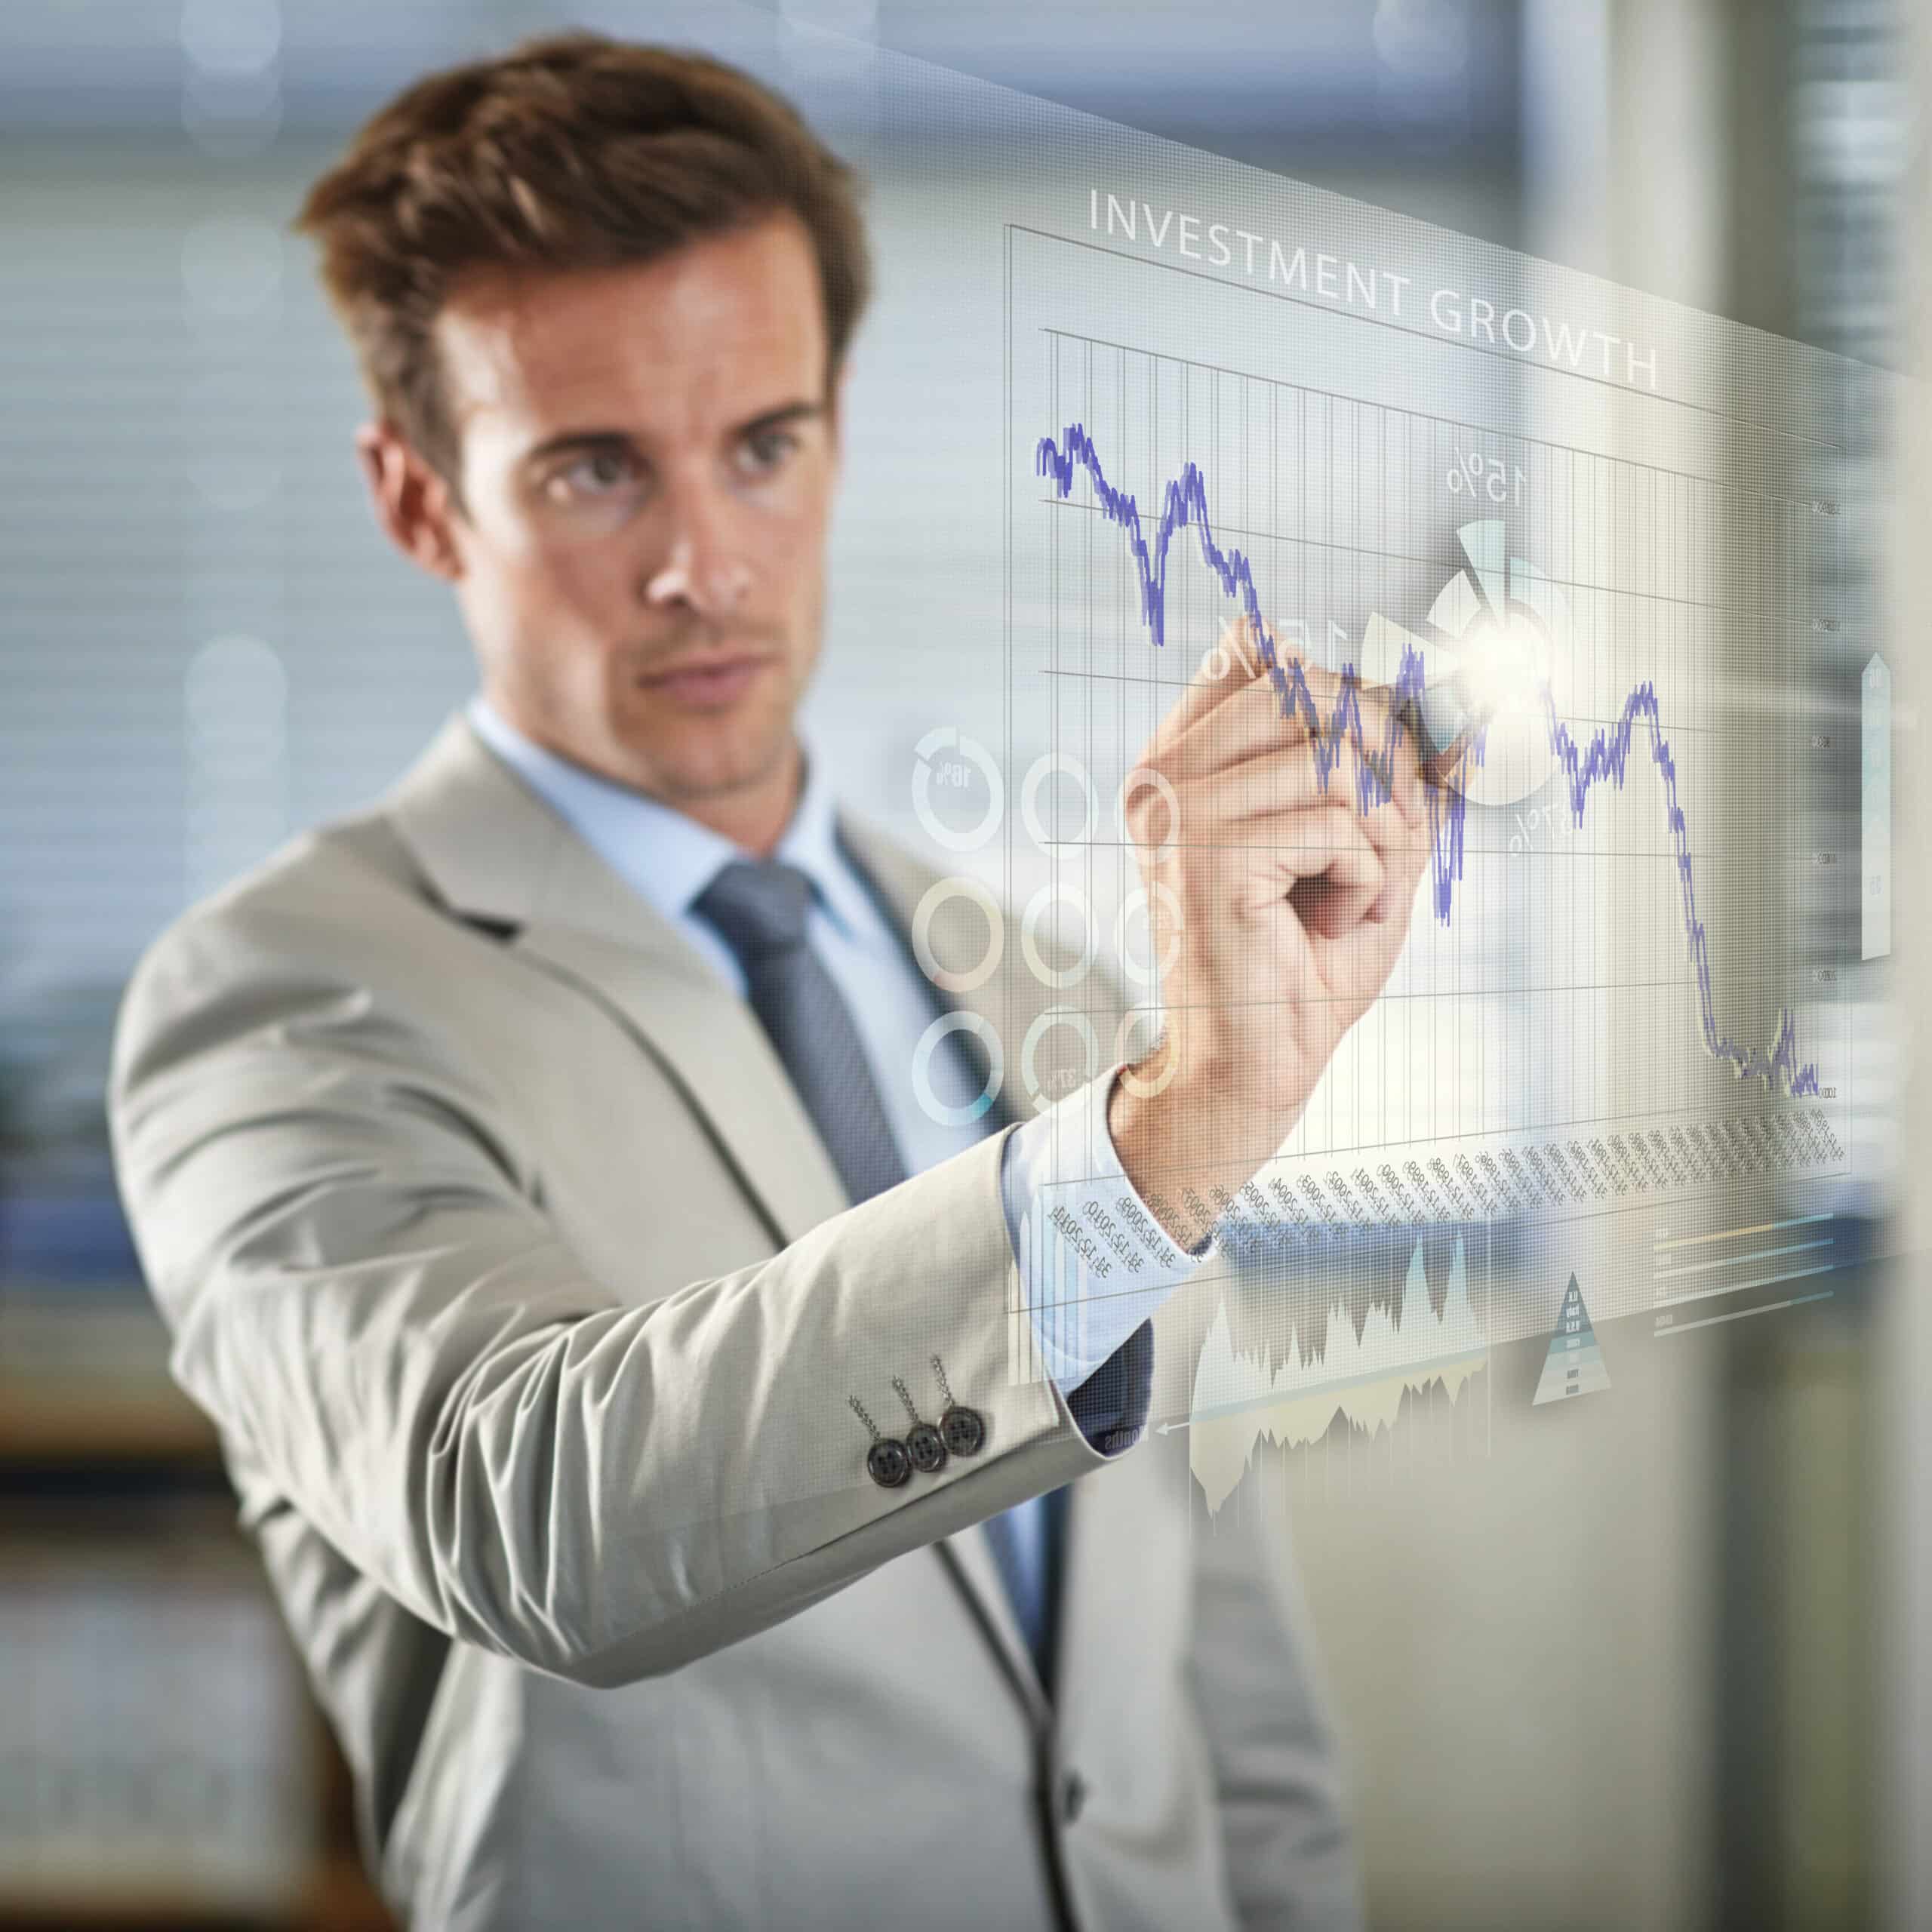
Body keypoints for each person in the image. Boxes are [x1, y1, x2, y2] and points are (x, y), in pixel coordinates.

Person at [107, 31, 1429, 1932]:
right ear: (418, 501)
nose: (702, 565)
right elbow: (530, 1506)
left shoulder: (1049, 991)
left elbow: (1216, 1687)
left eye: (761, 446)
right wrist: (1147, 1157)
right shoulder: (279, 997)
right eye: (591, 472)